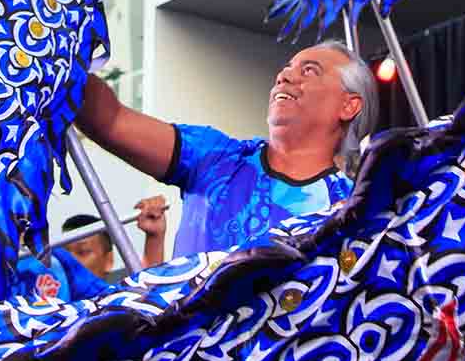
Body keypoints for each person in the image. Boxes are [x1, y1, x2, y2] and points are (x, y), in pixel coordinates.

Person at [75, 42, 375, 257]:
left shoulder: (353, 209)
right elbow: (108, 120)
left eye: (309, 71)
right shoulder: (216, 158)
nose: (284, 76)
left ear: (349, 105)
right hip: (187, 344)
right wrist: (56, 49)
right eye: (286, 69)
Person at [60, 201, 168, 283]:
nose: (69, 261)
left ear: (108, 260)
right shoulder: (48, 301)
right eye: (63, 255)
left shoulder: (122, 296)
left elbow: (150, 285)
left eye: (82, 252)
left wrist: (155, 236)